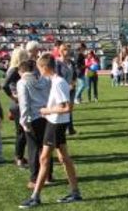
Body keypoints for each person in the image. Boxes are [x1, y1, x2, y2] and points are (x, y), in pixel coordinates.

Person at [19, 54, 82, 208]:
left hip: (55, 124)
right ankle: (75, 192)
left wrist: (47, 110)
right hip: (56, 123)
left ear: (45, 67)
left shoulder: (58, 82)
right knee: (64, 159)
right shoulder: (54, 81)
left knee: (44, 159)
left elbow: (67, 107)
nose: (38, 72)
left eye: (39, 68)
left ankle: (35, 197)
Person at [17, 60, 54, 190]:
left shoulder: (22, 82)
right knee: (46, 148)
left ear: (21, 71)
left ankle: (34, 179)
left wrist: (23, 121)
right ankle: (49, 176)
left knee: (33, 149)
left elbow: (24, 104)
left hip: (33, 118)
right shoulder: (44, 80)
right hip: (47, 116)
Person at [2, 47, 29, 168]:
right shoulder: (14, 70)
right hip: (18, 104)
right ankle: (18, 157)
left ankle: (21, 156)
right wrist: (13, 97)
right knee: (21, 132)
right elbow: (4, 85)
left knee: (23, 132)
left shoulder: (18, 69)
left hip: (20, 103)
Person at [55, 43, 78, 135]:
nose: (67, 51)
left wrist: (73, 83)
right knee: (62, 109)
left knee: (69, 109)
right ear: (60, 51)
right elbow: (57, 76)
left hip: (71, 88)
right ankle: (62, 129)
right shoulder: (57, 63)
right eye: (64, 49)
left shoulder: (71, 62)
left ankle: (70, 129)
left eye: (68, 50)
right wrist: (66, 86)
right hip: (62, 89)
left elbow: (75, 74)